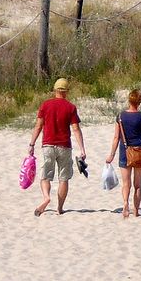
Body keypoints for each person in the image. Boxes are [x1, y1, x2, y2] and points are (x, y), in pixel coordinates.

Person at [28, 77, 86, 217]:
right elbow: (76, 129)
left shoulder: (45, 105)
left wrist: (32, 144)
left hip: (48, 145)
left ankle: (46, 197)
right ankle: (59, 208)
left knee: (46, 175)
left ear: (55, 90)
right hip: (64, 146)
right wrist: (82, 149)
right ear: (66, 91)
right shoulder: (71, 107)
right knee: (63, 178)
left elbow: (38, 126)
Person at [111, 88, 141, 219]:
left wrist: (111, 155)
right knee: (137, 185)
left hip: (124, 151)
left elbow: (116, 137)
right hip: (138, 151)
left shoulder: (120, 117)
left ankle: (125, 203)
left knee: (126, 183)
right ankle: (136, 211)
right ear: (139, 102)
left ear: (129, 101)